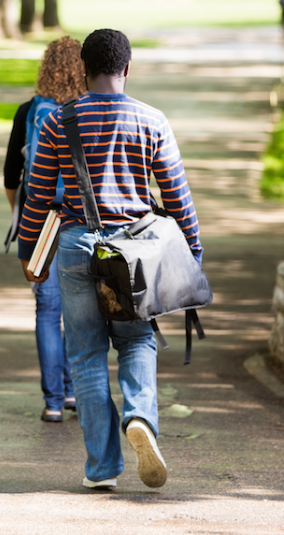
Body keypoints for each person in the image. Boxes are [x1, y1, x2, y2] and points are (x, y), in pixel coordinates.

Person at [18, 29, 202, 491]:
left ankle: (102, 468)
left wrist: (28, 254)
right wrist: (192, 253)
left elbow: (37, 196)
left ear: (84, 69)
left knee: (85, 355)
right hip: (135, 252)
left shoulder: (60, 121)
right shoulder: (152, 120)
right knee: (137, 341)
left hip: (78, 246)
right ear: (127, 68)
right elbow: (178, 199)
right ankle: (140, 416)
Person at [3, 37, 84, 423]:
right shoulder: (89, 111)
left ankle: (53, 401)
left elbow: (10, 176)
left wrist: (26, 218)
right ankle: (73, 392)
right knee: (81, 310)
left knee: (47, 310)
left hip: (41, 221)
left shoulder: (28, 112)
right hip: (82, 221)